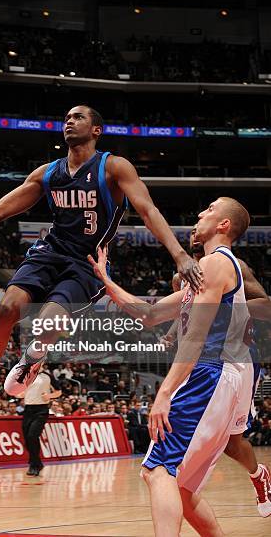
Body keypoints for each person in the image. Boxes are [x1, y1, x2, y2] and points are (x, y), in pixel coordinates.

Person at [0, 104, 201, 444]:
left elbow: (148, 209)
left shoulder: (113, 167)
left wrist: (180, 254)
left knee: (48, 321)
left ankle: (33, 356)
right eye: (66, 117)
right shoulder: (48, 173)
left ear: (97, 130)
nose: (69, 121)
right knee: (7, 308)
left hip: (87, 263)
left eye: (78, 117)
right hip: (49, 252)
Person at [89, 197, 265, 536]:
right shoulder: (204, 274)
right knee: (181, 489)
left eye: (210, 210)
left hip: (208, 375)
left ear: (224, 225)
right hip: (220, 381)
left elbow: (196, 337)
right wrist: (106, 281)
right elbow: (150, 313)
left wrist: (165, 392)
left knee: (156, 471)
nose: (200, 214)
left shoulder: (217, 264)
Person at [164, 224, 271, 517]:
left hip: (238, 356)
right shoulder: (182, 278)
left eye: (198, 229)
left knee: (233, 442)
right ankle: (172, 480)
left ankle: (257, 474)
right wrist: (173, 333)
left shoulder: (232, 266)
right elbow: (188, 313)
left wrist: (231, 305)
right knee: (221, 442)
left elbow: (265, 303)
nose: (194, 232)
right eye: (190, 233)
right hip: (205, 358)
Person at [17, 364, 61, 476]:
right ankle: (37, 462)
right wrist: (20, 394)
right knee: (27, 439)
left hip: (41, 410)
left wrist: (50, 396)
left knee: (32, 436)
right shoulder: (26, 375)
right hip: (28, 409)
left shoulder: (47, 376)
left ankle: (34, 465)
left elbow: (59, 391)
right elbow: (21, 390)